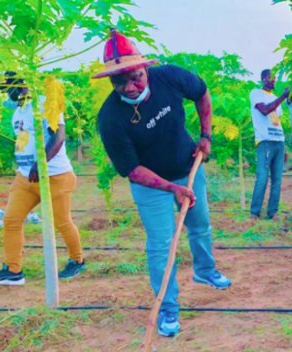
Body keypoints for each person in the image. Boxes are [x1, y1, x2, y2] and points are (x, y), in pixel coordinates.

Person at [93, 29, 231, 337]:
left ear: (146, 69)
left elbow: (201, 92)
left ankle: (204, 271)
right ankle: (168, 305)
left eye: (136, 78)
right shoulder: (110, 119)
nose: (129, 87)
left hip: (187, 166)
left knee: (200, 224)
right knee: (161, 244)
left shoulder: (169, 76)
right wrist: (171, 188)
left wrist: (205, 136)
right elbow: (131, 169)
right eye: (120, 82)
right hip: (149, 184)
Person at [0, 72, 85, 285]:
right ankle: (13, 270)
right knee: (11, 220)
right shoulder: (18, 111)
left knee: (61, 221)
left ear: (20, 86)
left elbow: (59, 136)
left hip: (54, 176)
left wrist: (41, 163)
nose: (6, 96)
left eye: (8, 91)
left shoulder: (45, 103)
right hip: (25, 178)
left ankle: (77, 260)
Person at [249, 69, 290, 219]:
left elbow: (276, 122)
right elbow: (265, 110)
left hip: (279, 142)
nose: (273, 80)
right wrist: (283, 96)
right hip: (265, 142)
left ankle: (273, 212)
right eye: (270, 77)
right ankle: (254, 213)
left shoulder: (274, 98)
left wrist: (284, 145)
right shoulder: (256, 93)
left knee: (277, 180)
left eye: (275, 78)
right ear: (263, 79)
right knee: (262, 178)